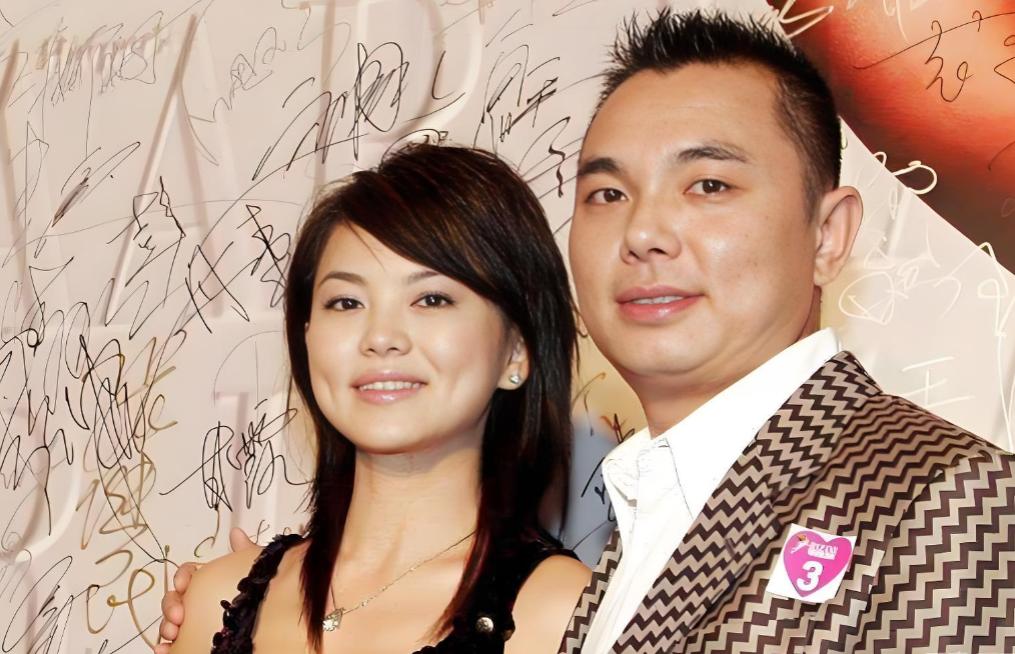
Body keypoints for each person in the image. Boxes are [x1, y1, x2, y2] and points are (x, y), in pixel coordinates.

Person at [162, 8, 1015, 654]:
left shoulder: (951, 500)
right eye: (607, 194)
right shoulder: (635, 529)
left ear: (827, 234)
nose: (643, 232)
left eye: (708, 186)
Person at [162, 143, 590, 654]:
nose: (381, 337)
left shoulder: (563, 613)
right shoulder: (214, 601)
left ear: (516, 351)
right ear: (306, 336)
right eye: (346, 302)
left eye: (431, 299)